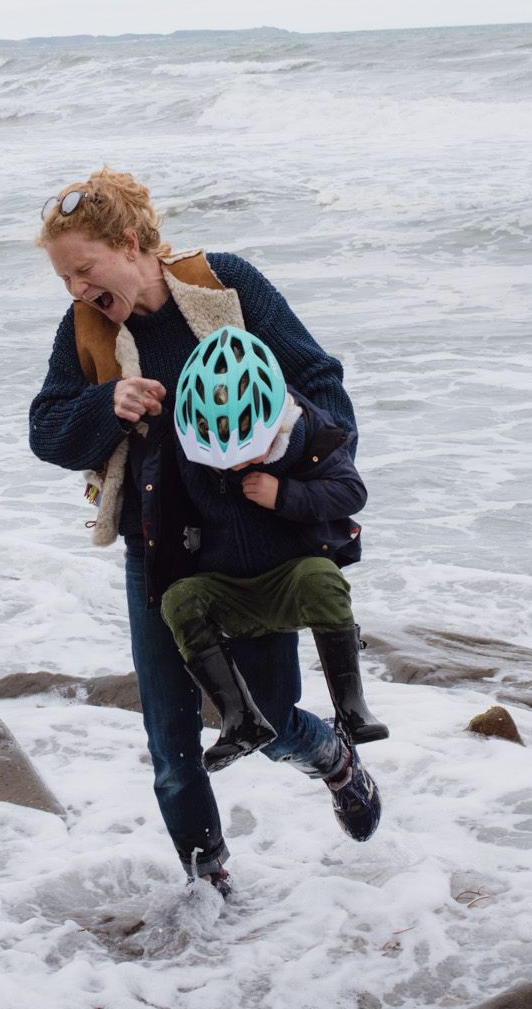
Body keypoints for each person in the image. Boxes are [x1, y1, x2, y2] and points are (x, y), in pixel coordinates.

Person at [27, 167, 384, 896]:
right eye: (63, 277)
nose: (75, 290)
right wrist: (108, 403)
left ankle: (337, 763)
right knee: (171, 742)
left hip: (251, 543)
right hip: (156, 551)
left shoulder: (227, 285)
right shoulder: (87, 328)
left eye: (84, 269)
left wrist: (280, 448)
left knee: (273, 716)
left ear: (131, 244)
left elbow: (324, 385)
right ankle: (208, 889)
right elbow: (46, 431)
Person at [159, 325, 389, 772]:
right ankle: (240, 719)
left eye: (249, 451)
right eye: (221, 455)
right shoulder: (189, 442)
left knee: (320, 577)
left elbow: (351, 493)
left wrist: (284, 495)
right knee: (179, 599)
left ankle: (351, 706)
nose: (236, 464)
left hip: (287, 581)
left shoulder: (307, 431)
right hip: (227, 587)